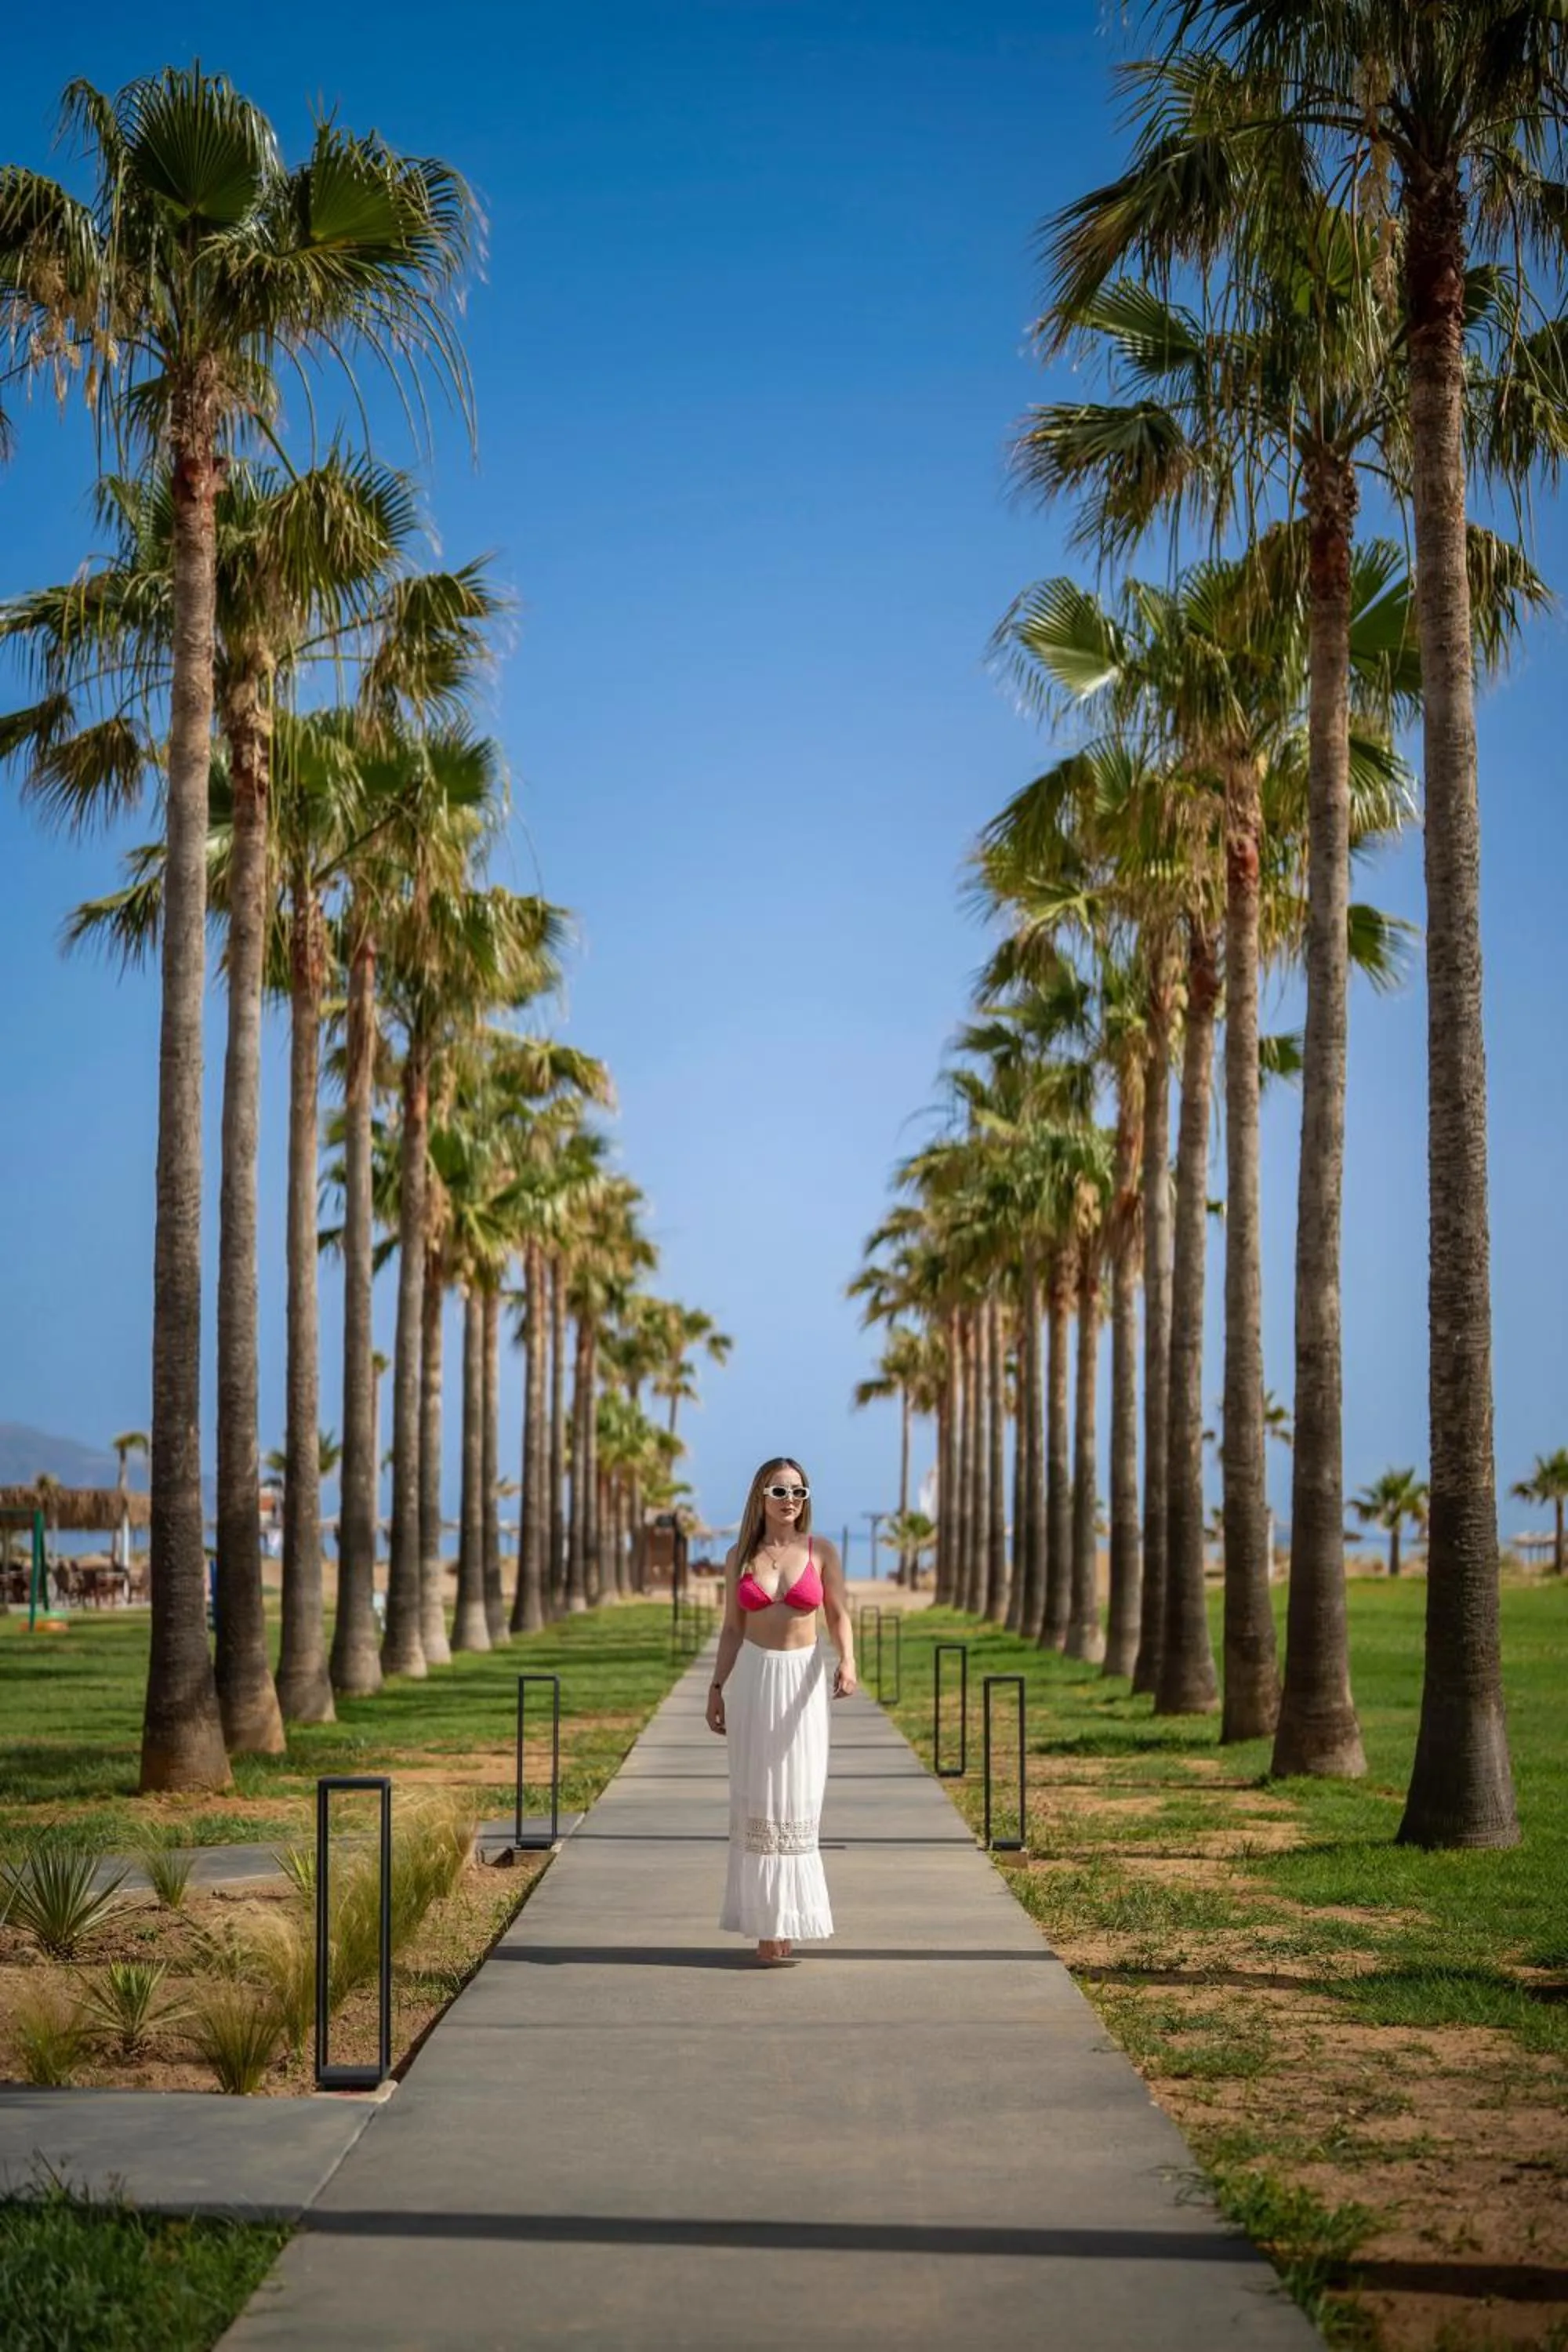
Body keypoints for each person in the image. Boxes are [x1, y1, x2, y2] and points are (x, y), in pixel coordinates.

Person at [706, 1456, 857, 1964]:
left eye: (799, 1492)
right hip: (753, 1679)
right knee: (756, 1794)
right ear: (761, 1497)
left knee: (798, 1794)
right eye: (780, 1491)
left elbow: (838, 1616)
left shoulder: (822, 1552)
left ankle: (791, 1915)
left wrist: (848, 1663)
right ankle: (767, 1927)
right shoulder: (739, 1556)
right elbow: (732, 1629)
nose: (791, 1500)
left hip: (803, 1682)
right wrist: (716, 1686)